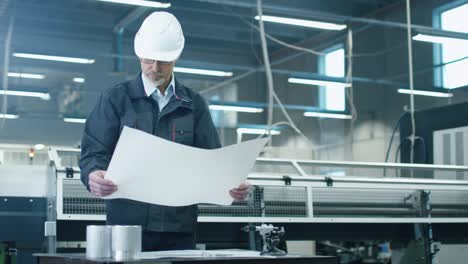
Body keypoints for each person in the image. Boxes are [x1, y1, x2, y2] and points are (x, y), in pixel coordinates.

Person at [79, 12, 250, 251]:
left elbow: (212, 160)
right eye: (148, 60)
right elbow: (94, 151)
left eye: (163, 61)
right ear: (139, 54)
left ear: (176, 58)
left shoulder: (194, 104)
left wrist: (230, 184)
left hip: (179, 227)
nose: (154, 68)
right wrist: (94, 174)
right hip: (128, 226)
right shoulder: (116, 99)